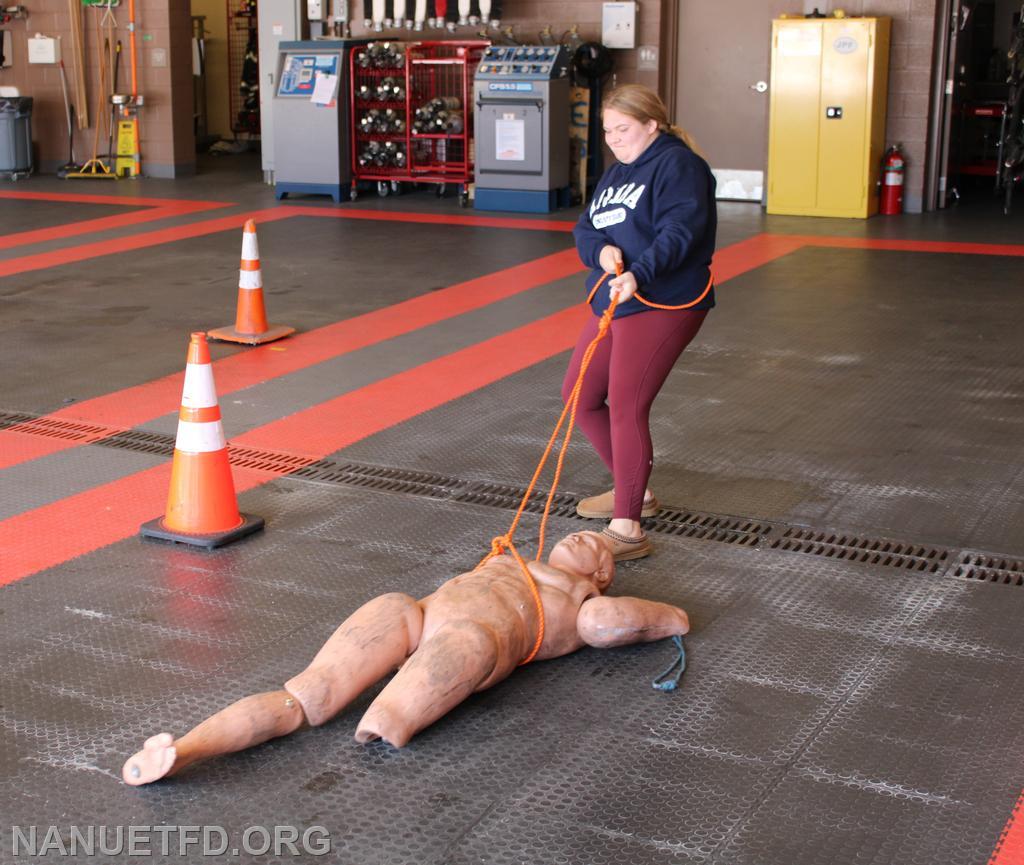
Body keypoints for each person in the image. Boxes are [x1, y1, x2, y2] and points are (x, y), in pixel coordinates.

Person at [121, 530, 690, 785]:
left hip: (476, 636)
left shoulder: (582, 602)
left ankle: (384, 723)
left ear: (602, 575)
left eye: (591, 543)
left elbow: (621, 620)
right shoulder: (513, 554)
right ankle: (186, 748)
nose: (577, 538)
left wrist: (671, 618)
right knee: (309, 691)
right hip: (418, 612)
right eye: (577, 533)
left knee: (463, 643)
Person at [566, 84, 717, 562]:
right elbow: (586, 228)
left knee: (625, 406)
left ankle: (628, 526)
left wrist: (639, 271)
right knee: (581, 394)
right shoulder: (616, 173)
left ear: (652, 123)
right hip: (618, 296)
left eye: (623, 128)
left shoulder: (679, 166)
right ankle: (635, 491)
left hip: (663, 300)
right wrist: (601, 251)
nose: (613, 138)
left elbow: (680, 232)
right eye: (608, 130)